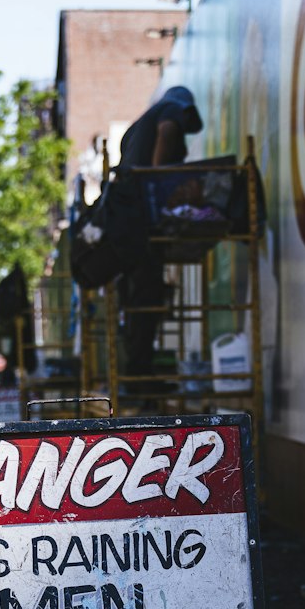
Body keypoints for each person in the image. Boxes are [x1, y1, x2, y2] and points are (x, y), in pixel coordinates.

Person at [111, 86, 203, 392]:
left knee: (139, 296)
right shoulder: (169, 110)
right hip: (140, 217)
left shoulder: (137, 127)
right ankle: (140, 378)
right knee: (146, 296)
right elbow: (167, 131)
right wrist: (159, 181)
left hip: (125, 219)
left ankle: (138, 372)